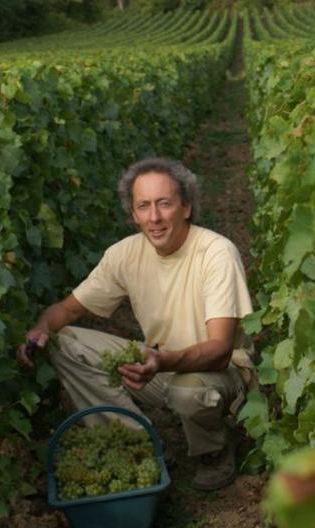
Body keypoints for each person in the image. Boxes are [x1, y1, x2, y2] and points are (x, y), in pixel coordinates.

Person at [18, 157, 255, 490]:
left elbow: (219, 350)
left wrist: (161, 362)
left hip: (220, 373)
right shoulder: (124, 255)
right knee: (64, 341)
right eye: (144, 206)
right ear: (133, 214)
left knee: (188, 391)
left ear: (186, 207)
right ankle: (139, 445)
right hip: (162, 365)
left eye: (164, 204)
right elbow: (68, 311)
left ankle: (213, 451)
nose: (154, 217)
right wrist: (42, 327)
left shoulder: (216, 253)